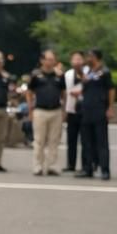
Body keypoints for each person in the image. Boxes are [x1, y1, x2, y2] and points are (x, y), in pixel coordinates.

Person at [76, 48, 114, 181]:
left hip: (99, 109)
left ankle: (105, 169)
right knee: (86, 141)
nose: (88, 59)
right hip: (86, 109)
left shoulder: (104, 72)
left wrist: (110, 107)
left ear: (96, 57)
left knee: (101, 142)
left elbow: (111, 89)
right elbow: (83, 83)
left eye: (90, 56)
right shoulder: (88, 72)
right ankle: (88, 168)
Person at [26, 49, 65, 177]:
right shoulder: (36, 75)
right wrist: (30, 109)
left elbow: (63, 92)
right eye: (48, 59)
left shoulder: (59, 75)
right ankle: (38, 165)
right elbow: (29, 92)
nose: (50, 62)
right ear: (42, 60)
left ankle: (52, 165)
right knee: (39, 140)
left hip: (56, 110)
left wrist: (64, 109)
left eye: (52, 59)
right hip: (40, 110)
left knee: (54, 140)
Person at [62, 50, 84, 171]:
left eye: (79, 59)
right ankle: (71, 164)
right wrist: (64, 110)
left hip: (85, 110)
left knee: (86, 140)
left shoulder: (87, 73)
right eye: (75, 59)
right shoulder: (68, 75)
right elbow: (64, 92)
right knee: (71, 139)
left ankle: (86, 165)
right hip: (71, 109)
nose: (77, 62)